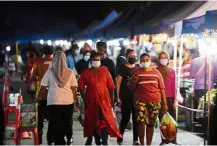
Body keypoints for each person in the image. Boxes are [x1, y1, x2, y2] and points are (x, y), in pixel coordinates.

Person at [78, 52, 122, 145]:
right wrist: (85, 100)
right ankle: (97, 141)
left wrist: (112, 100)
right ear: (91, 61)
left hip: (104, 101)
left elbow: (111, 87)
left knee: (104, 121)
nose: (96, 61)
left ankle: (104, 141)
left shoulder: (105, 71)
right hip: (91, 102)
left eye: (98, 60)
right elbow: (81, 88)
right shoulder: (85, 73)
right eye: (95, 60)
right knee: (94, 122)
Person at [128, 53, 168, 145]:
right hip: (140, 101)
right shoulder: (137, 72)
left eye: (147, 60)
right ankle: (142, 143)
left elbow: (162, 89)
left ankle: (148, 144)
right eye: (143, 60)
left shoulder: (157, 73)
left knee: (150, 124)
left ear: (150, 61)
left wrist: (164, 104)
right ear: (140, 61)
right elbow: (132, 88)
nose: (145, 62)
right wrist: (132, 82)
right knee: (141, 123)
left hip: (155, 101)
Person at [40, 51, 77, 145]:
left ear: (54, 59)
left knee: (55, 122)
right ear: (65, 60)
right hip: (68, 102)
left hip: (53, 101)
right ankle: (68, 138)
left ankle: (59, 141)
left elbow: (43, 87)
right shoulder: (70, 72)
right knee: (67, 121)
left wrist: (38, 98)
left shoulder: (50, 71)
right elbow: (73, 88)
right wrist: (73, 99)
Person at [31, 45, 54, 145]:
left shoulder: (38, 62)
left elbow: (32, 77)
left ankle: (39, 139)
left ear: (43, 52)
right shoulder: (56, 62)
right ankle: (50, 139)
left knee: (39, 118)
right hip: (54, 94)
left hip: (41, 94)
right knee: (53, 118)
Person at [116, 49, 140, 145]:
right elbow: (118, 83)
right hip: (125, 98)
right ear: (126, 57)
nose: (133, 57)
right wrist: (117, 97)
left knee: (136, 120)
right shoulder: (123, 68)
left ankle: (135, 140)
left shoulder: (138, 67)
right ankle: (120, 136)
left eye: (134, 55)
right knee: (125, 119)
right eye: (130, 56)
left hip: (137, 98)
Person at [157, 52, 176, 119]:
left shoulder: (172, 71)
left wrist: (175, 101)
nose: (163, 59)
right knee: (162, 122)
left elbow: (174, 87)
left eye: (165, 58)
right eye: (161, 58)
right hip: (159, 99)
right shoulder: (156, 71)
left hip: (170, 99)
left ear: (168, 59)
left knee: (171, 123)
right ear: (159, 60)